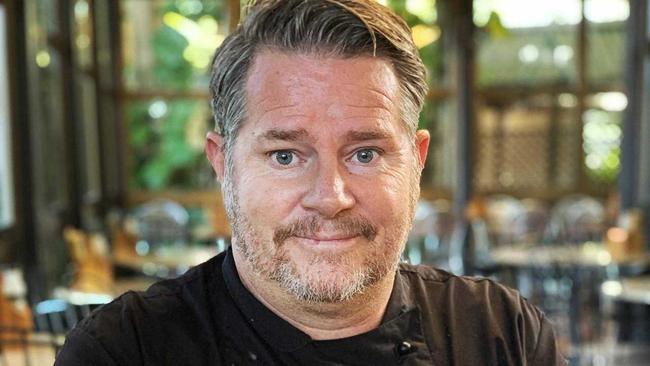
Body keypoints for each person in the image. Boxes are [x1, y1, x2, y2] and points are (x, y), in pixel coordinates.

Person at [56, 0, 566, 365]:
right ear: (224, 164)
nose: (331, 197)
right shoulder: (124, 350)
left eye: (365, 153)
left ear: (416, 161)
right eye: (285, 156)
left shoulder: (503, 335)